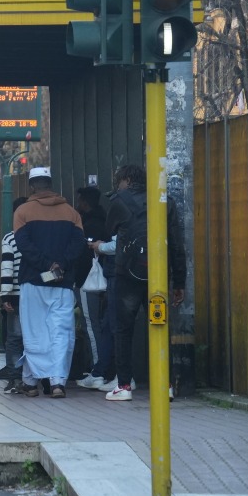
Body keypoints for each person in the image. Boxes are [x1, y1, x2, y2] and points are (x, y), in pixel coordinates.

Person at [98, 164, 186, 402]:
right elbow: (177, 245)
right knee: (160, 326)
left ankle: (124, 385)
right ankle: (164, 384)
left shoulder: (119, 201)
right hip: (158, 275)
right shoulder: (165, 201)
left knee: (123, 329)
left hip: (127, 275)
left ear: (125, 180)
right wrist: (179, 282)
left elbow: (109, 232)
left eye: (119, 181)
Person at [11, 167, 87, 399]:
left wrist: (46, 265)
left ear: (32, 186)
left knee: (34, 332)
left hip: (33, 282)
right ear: (50, 184)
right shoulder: (71, 213)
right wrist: (60, 265)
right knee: (60, 332)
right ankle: (57, 383)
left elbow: (24, 246)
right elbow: (78, 244)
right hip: (63, 283)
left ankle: (31, 383)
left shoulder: (22, 211)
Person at [73, 185, 114, 390]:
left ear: (84, 202)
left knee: (91, 324)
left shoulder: (87, 225)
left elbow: (81, 255)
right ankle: (103, 368)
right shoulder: (106, 221)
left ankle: (98, 370)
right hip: (106, 282)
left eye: (79, 201)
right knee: (103, 325)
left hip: (88, 282)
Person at [0, 196, 28, 385]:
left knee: (14, 336)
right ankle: (34, 375)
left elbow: (7, 269)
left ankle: (15, 374)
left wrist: (5, 295)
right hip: (35, 293)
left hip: (15, 294)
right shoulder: (38, 236)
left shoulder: (10, 238)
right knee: (34, 335)